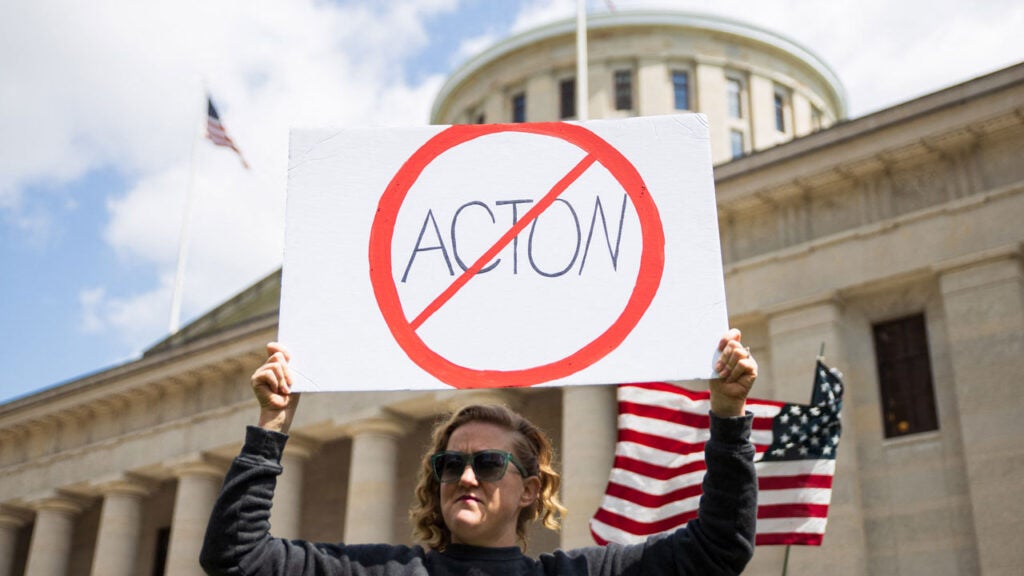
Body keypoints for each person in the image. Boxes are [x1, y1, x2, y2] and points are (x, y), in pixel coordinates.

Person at [200, 329, 758, 575]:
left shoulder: (574, 574)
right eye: (451, 464)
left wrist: (728, 417)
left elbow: (718, 550)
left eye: (490, 463)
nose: (466, 476)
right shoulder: (383, 571)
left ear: (531, 489)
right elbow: (236, 556)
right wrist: (272, 426)